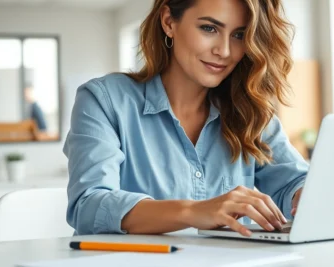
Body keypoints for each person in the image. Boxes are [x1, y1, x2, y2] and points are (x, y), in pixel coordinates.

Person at [63, 0, 307, 237]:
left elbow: (295, 182)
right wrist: (193, 211)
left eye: (239, 35)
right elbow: (89, 205)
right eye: (209, 28)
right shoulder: (104, 100)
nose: (224, 51)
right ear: (169, 22)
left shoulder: (249, 112)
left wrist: (306, 195)